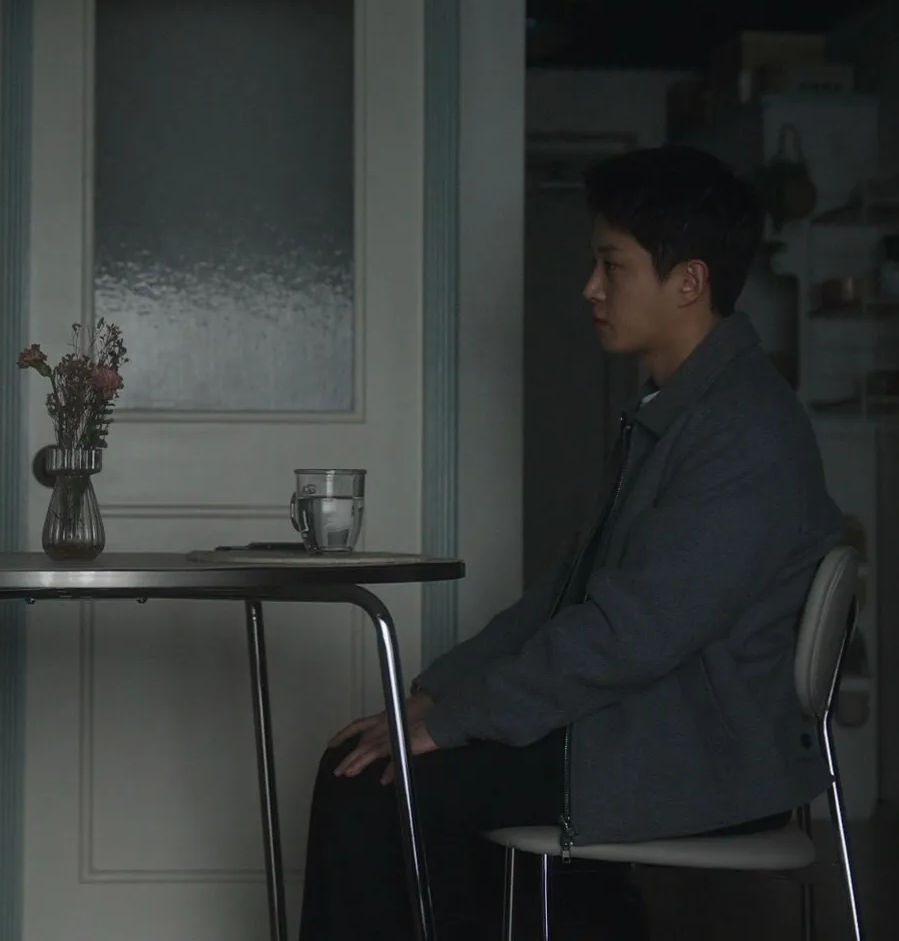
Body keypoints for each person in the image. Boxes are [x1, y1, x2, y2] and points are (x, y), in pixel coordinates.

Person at [298, 146, 845, 940]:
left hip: (694, 757)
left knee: (373, 785)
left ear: (688, 282)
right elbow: (566, 598)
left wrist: (456, 720)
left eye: (612, 266)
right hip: (640, 728)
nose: (591, 287)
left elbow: (630, 633)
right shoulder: (679, 413)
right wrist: (440, 694)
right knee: (376, 762)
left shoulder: (742, 432)